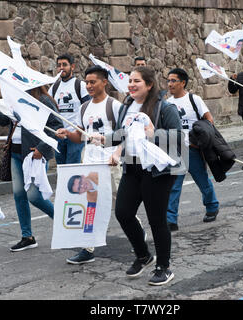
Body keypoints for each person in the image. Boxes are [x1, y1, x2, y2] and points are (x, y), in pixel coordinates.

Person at [100, 66, 183, 286]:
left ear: (149, 85)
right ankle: (143, 255)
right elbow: (121, 135)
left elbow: (177, 137)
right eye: (130, 81)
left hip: (157, 171)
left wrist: (153, 133)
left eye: (136, 81)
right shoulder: (126, 107)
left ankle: (163, 267)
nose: (131, 85)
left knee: (157, 220)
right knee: (123, 213)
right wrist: (101, 139)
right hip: (132, 167)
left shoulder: (165, 108)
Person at [56, 65, 123, 264]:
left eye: (93, 82)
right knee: (90, 205)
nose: (89, 86)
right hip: (90, 164)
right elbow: (80, 136)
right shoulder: (84, 108)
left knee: (122, 207)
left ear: (105, 82)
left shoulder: (115, 106)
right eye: (87, 82)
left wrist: (117, 154)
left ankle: (135, 231)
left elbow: (126, 134)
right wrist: (67, 134)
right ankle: (88, 248)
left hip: (110, 164)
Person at [0, 85, 63, 252]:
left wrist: (42, 148)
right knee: (19, 195)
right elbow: (7, 120)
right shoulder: (14, 97)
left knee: (34, 196)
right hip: (15, 152)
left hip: (33, 154)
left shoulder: (42, 100)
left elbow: (57, 125)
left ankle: (64, 224)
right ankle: (27, 236)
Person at [166, 68, 219, 231]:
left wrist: (199, 137)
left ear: (183, 82)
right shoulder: (167, 103)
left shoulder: (193, 99)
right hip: (176, 150)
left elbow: (209, 120)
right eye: (168, 80)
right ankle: (171, 219)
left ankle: (212, 206)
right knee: (174, 186)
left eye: (173, 80)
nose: (170, 84)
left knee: (202, 181)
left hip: (193, 149)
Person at [49, 54, 91, 165]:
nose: (61, 68)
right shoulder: (54, 88)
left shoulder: (80, 85)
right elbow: (49, 110)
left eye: (64, 65)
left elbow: (88, 109)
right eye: (59, 65)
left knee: (74, 169)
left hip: (76, 136)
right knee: (62, 170)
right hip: (60, 136)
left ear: (72, 67)